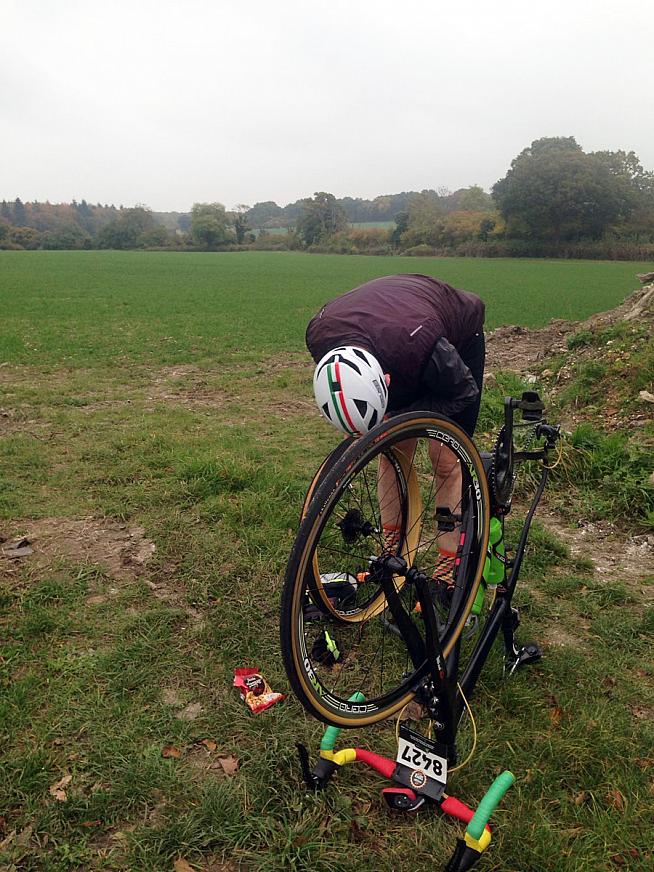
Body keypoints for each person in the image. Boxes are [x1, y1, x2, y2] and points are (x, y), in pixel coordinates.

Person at [306, 273, 485, 595]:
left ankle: (447, 568)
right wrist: (387, 427)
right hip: (391, 333)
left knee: (444, 458)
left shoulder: (421, 346)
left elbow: (463, 393)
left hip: (450, 336)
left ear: (386, 380)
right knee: (392, 451)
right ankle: (392, 549)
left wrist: (401, 417)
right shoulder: (319, 335)